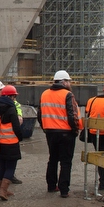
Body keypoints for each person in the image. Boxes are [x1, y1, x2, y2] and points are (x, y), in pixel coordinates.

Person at [38, 70, 82, 198]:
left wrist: (45, 128)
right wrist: (75, 130)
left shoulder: (45, 94)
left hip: (50, 133)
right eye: (68, 81)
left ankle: (51, 186)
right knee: (66, 162)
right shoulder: (68, 94)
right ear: (63, 82)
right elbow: (72, 114)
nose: (70, 83)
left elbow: (40, 115)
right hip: (65, 133)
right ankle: (64, 190)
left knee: (53, 159)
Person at [0, 79, 23, 185]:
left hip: (0, 139)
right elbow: (16, 127)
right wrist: (20, 137)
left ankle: (1, 183)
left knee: (2, 163)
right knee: (9, 165)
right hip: (10, 141)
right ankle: (3, 188)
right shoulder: (10, 108)